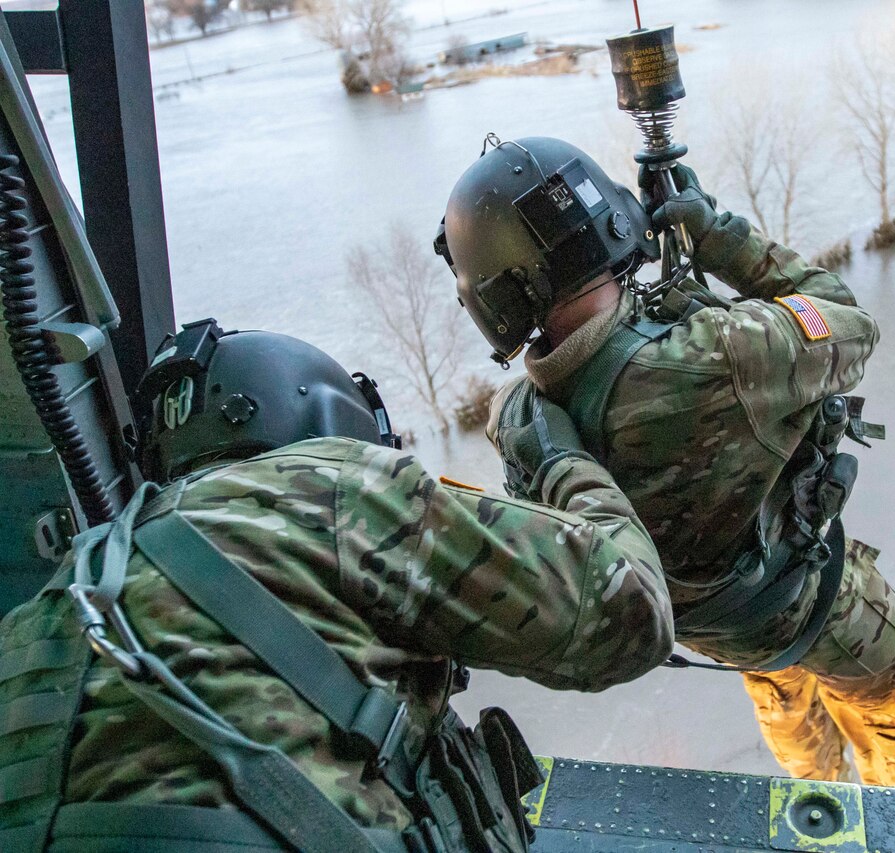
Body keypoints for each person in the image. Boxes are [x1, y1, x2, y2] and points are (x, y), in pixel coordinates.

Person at [0, 318, 672, 852]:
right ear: (331, 429)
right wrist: (561, 458)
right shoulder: (337, 489)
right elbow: (628, 609)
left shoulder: (40, 614)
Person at [435, 137, 895, 789]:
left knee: (780, 693)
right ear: (611, 226)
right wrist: (714, 234)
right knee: (891, 697)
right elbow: (851, 323)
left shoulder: (520, 423)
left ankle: (813, 799)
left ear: (494, 301)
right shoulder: (722, 356)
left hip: (717, 627)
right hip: (815, 600)